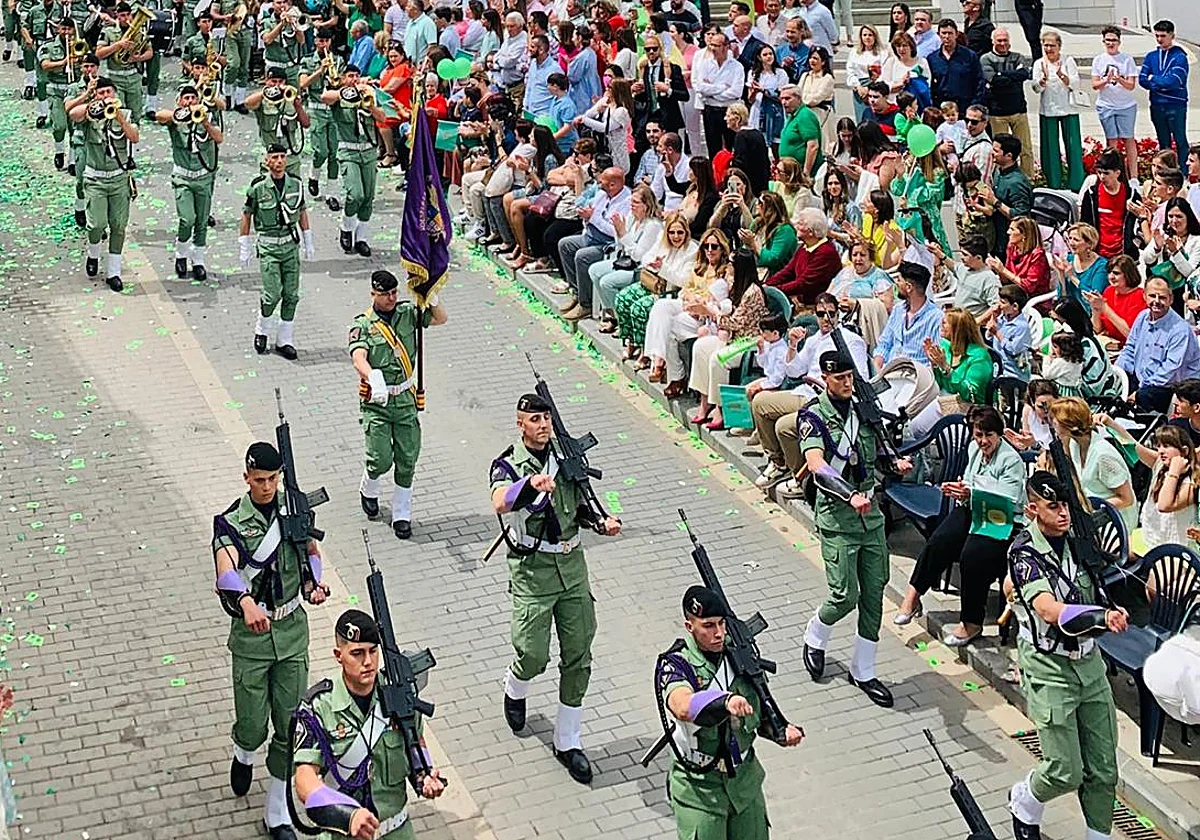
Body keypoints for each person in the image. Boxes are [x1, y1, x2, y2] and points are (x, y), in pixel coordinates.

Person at [489, 393, 621, 784]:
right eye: (535, 419)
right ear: (520, 423)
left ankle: (568, 741)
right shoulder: (508, 464)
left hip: (573, 569)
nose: (543, 425)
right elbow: (500, 500)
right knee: (532, 654)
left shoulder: (565, 457)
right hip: (534, 572)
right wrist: (529, 485)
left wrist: (601, 522)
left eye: (547, 417)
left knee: (579, 654)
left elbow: (580, 504)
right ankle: (516, 687)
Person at [212, 441, 328, 840]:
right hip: (251, 639)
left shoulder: (294, 510)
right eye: (259, 480)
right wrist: (245, 602)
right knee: (252, 724)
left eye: (273, 479)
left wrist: (314, 581)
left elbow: (311, 550)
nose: (267, 487)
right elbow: (226, 569)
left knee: (289, 725)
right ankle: (244, 751)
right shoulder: (229, 521)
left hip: (292, 633)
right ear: (246, 478)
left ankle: (277, 811)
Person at [1006, 470, 1127, 840]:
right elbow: (1048, 610)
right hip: (1049, 666)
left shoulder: (1080, 543)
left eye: (1065, 505)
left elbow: (1109, 578)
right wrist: (1101, 617)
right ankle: (1025, 798)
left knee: (1104, 769)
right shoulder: (1024, 553)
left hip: (1089, 664)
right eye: (1052, 506)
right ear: (1032, 509)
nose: (1063, 513)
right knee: (1065, 770)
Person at [799, 348, 914, 708]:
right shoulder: (813, 416)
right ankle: (815, 635)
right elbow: (817, 464)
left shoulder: (864, 410)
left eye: (850, 377)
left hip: (871, 516)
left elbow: (879, 452)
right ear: (826, 378)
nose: (847, 384)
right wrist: (849, 495)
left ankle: (863, 670)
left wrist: (896, 463)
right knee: (843, 595)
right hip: (838, 517)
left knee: (873, 595)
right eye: (840, 379)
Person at [655, 585, 805, 840]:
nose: (718, 633)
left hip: (744, 783)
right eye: (708, 626)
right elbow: (681, 705)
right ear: (690, 627)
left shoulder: (740, 656)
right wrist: (723, 701)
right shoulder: (676, 663)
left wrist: (780, 730)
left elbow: (760, 710)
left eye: (722, 624)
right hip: (700, 788)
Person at [291, 609, 446, 840]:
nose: (368, 662)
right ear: (338, 655)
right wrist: (347, 816)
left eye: (373, 651)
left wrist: (424, 774)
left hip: (397, 831)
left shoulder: (398, 693)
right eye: (357, 653)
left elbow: (415, 741)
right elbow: (304, 780)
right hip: (343, 833)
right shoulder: (318, 706)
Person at [896, 405, 1026, 646]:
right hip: (975, 509)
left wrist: (972, 491)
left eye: (989, 435)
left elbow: (1008, 500)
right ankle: (913, 596)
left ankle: (971, 622)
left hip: (1003, 520)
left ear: (999, 434)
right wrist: (959, 491)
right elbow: (968, 482)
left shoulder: (1011, 460)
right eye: (979, 435)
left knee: (972, 556)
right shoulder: (974, 450)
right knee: (941, 538)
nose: (983, 441)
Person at [349, 270, 448, 539]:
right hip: (378, 401)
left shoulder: (407, 313)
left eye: (394, 293)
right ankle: (369, 486)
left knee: (407, 458)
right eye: (385, 294)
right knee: (380, 459)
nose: (392, 298)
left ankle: (401, 512)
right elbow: (359, 357)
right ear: (373, 294)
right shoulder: (364, 325)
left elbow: (440, 319)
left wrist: (433, 296)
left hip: (404, 399)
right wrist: (372, 376)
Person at [751, 294, 870, 490]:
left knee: (784, 425)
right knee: (759, 401)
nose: (826, 319)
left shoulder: (850, 340)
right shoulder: (816, 339)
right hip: (805, 390)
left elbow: (860, 379)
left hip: (824, 398)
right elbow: (794, 370)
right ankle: (778, 461)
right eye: (821, 314)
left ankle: (801, 478)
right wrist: (792, 346)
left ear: (838, 314)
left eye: (831, 314)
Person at [240, 144, 315, 361]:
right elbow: (247, 214)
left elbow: (301, 212)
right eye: (275, 157)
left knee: (291, 295)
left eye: (283, 157)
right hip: (269, 246)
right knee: (272, 294)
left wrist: (308, 239)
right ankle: (262, 329)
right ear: (267, 161)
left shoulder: (295, 185)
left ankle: (284, 339)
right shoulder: (258, 187)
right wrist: (244, 244)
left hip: (290, 246)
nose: (280, 161)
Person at [67, 74, 139, 293]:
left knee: (118, 225)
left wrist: (119, 118)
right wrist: (90, 99)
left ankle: (113, 272)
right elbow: (72, 113)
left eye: (109, 92)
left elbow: (134, 137)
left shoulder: (124, 113)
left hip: (118, 178)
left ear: (115, 94)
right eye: (101, 93)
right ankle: (93, 253)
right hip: (95, 178)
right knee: (97, 224)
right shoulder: (89, 114)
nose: (106, 96)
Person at [687, 249, 768, 429]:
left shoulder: (753, 292)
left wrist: (711, 313)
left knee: (718, 357)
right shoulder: (735, 285)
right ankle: (705, 400)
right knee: (700, 346)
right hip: (735, 337)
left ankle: (720, 408)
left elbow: (735, 323)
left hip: (750, 340)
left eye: (731, 264)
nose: (728, 267)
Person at [155, 84, 223, 283]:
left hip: (203, 177)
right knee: (187, 219)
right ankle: (181, 254)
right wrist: (180, 114)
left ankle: (198, 260)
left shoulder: (207, 116)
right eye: (186, 98)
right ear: (179, 101)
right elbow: (159, 115)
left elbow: (219, 138)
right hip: (183, 178)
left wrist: (205, 122)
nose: (190, 101)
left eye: (193, 98)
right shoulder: (175, 119)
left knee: (201, 221)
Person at [616, 213, 699, 370]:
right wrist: (652, 263)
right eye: (672, 232)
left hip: (670, 291)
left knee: (639, 308)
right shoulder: (662, 241)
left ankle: (645, 352)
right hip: (652, 283)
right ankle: (631, 342)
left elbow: (683, 280)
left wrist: (662, 268)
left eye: (680, 233)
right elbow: (646, 257)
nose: (675, 236)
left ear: (686, 233)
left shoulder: (692, 251)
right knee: (622, 298)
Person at [558, 167, 632, 321]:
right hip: (591, 235)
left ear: (613, 185)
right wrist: (586, 215)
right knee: (565, 244)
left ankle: (586, 304)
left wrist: (593, 218)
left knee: (582, 256)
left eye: (602, 182)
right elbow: (591, 210)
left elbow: (615, 231)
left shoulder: (627, 202)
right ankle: (577, 293)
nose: (599, 183)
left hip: (608, 243)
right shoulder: (602, 194)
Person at [1116, 277, 1200, 413]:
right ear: (1144, 296)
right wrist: (1118, 374)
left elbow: (1169, 371)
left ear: (1171, 299)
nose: (1156, 301)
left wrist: (1138, 391)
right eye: (1152, 296)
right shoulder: (1142, 317)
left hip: (1171, 386)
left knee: (1144, 397)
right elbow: (1129, 349)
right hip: (1144, 378)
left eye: (1162, 297)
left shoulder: (1180, 330)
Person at [909, 307, 994, 439]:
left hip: (971, 409)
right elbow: (940, 384)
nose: (940, 325)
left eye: (944, 323)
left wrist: (946, 368)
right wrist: (935, 364)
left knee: (950, 441)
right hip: (944, 400)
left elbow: (970, 394)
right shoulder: (945, 347)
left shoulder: (979, 357)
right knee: (915, 428)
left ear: (957, 329)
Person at [588, 185, 663, 333]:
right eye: (631, 202)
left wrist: (622, 233)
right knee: (594, 270)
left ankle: (624, 322)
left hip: (639, 268)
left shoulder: (652, 226)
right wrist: (618, 230)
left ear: (646, 205)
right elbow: (620, 245)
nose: (632, 206)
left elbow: (638, 255)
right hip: (625, 261)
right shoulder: (631, 218)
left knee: (607, 282)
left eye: (635, 203)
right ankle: (612, 315)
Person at [1031, 30, 1083, 191]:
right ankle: (1054, 183)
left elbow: (1075, 84)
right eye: (1045, 45)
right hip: (1048, 110)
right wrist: (1043, 79)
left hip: (1068, 109)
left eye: (1052, 45)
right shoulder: (1039, 63)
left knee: (1073, 147)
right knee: (1050, 148)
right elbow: (1035, 88)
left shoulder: (1068, 61)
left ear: (1059, 46)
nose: (1049, 49)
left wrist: (1062, 75)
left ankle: (1076, 183)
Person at [299, 30, 344, 209]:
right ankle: (314, 174)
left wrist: (335, 76)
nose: (323, 44)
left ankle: (332, 194)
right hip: (316, 110)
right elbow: (303, 84)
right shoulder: (307, 61)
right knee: (321, 151)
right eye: (320, 41)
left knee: (335, 154)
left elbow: (340, 81)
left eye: (326, 41)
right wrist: (320, 70)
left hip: (333, 110)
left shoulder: (339, 60)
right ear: (316, 41)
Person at [874, 260, 943, 369]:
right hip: (889, 371)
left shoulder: (936, 318)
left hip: (917, 375)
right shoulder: (898, 309)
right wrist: (877, 366)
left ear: (909, 287)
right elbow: (884, 343)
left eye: (899, 280)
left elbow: (936, 358)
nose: (896, 283)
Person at [1091, 26, 1139, 182]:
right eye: (1108, 40)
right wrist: (1106, 80)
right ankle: (1113, 176)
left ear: (1119, 42)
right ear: (1103, 41)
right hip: (1106, 105)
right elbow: (1095, 84)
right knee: (1112, 142)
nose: (1111, 43)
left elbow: (1131, 85)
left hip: (1126, 106)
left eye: (1114, 40)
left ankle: (1133, 177)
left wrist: (1119, 79)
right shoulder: (1099, 60)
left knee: (1128, 139)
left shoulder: (1127, 59)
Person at [245, 68, 312, 179]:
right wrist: (266, 92)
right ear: (266, 81)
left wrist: (298, 106)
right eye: (273, 81)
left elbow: (306, 123)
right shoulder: (262, 100)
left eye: (280, 81)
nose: (277, 85)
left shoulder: (290, 97)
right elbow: (247, 103)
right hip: (270, 157)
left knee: (293, 191)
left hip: (290, 157)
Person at [765, 206, 839, 305]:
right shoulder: (804, 247)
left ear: (811, 232)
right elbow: (788, 271)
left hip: (817, 305)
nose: (796, 226)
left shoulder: (825, 253)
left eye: (801, 224)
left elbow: (803, 283)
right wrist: (767, 284)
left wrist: (773, 291)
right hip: (801, 300)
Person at [95, 3, 154, 122]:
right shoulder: (108, 31)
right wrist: (118, 45)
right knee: (118, 114)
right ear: (117, 15)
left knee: (136, 114)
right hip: (115, 78)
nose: (126, 18)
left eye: (128, 15)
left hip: (134, 78)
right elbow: (99, 54)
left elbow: (150, 52)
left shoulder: (139, 31)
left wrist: (138, 58)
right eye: (122, 15)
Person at [1139, 19, 1189, 157]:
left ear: (1172, 36)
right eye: (1157, 36)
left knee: (1180, 140)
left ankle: (1184, 173)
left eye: (1163, 36)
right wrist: (1162, 82)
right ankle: (1166, 173)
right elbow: (1142, 79)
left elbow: (1175, 81)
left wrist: (1153, 79)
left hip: (1176, 105)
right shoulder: (1151, 56)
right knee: (1163, 142)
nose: (1160, 39)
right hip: (1156, 105)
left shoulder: (1180, 57)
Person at [977, 132, 1032, 258]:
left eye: (996, 151)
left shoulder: (1017, 183)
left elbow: (1021, 215)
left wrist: (995, 202)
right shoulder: (998, 171)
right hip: (995, 237)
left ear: (1008, 156)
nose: (992, 153)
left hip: (1009, 244)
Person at [694, 30, 744, 156]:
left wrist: (712, 91)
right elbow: (700, 87)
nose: (713, 48)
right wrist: (722, 87)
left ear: (726, 46)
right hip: (710, 109)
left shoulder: (737, 66)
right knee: (713, 147)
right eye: (711, 45)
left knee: (732, 145)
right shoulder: (704, 64)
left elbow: (736, 92)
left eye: (716, 45)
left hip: (729, 110)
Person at [928, 18, 983, 116]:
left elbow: (978, 81)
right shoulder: (932, 59)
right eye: (943, 33)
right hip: (942, 110)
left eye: (950, 33)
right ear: (938, 35)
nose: (947, 37)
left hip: (965, 108)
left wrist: (974, 106)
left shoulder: (969, 56)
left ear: (956, 34)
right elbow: (931, 86)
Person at [1088, 255, 1146, 344]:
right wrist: (1095, 308)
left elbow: (1130, 333)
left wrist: (1104, 307)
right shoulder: (1109, 291)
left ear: (1128, 275)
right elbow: (1097, 329)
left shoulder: (1139, 296)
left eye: (1116, 273)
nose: (1111, 277)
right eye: (1109, 272)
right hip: (1110, 345)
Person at [1052, 223, 1107, 313]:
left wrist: (1072, 277)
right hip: (1069, 311)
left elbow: (1093, 299)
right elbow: (1062, 296)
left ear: (1089, 243)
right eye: (1070, 238)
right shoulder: (1069, 259)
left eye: (1076, 240)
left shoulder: (1101, 266)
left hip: (1089, 314)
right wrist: (1061, 274)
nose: (1071, 243)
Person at [988, 283, 1033, 381]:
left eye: (1003, 302)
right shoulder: (1002, 318)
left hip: (1014, 374)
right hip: (998, 367)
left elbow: (1013, 350)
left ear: (1015, 307)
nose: (999, 305)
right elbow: (990, 337)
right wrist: (994, 317)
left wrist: (997, 333)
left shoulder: (1021, 327)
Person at [777, 84, 822, 179]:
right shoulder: (792, 116)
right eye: (781, 99)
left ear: (798, 98)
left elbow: (813, 146)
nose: (783, 102)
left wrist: (806, 172)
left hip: (801, 174)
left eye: (787, 98)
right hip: (790, 173)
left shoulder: (805, 115)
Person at [727, 102, 769, 196]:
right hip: (761, 182)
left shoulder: (741, 136)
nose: (726, 119)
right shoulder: (758, 133)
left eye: (728, 116)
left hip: (750, 184)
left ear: (737, 119)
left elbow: (740, 163)